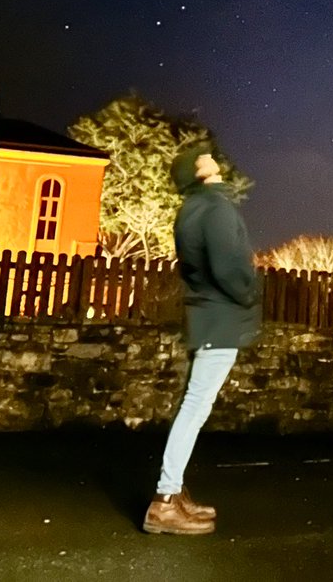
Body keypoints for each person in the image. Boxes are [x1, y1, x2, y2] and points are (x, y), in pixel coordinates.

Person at [143, 141, 263, 535]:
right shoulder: (215, 207)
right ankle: (164, 501)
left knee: (193, 404)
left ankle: (174, 493)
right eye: (202, 157)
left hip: (206, 317)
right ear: (198, 172)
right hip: (221, 318)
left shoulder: (193, 209)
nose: (209, 156)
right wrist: (251, 293)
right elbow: (229, 267)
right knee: (195, 407)